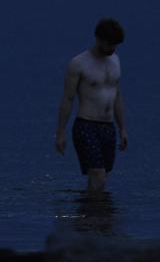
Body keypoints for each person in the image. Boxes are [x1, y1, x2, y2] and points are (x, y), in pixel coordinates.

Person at [55, 18, 128, 192]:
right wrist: (60, 133)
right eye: (110, 44)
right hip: (86, 125)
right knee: (98, 176)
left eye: (116, 45)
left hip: (108, 127)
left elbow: (116, 95)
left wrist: (122, 128)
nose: (113, 49)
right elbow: (68, 98)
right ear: (99, 39)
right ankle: (92, 217)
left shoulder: (115, 61)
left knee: (101, 178)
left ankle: (90, 216)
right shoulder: (79, 64)